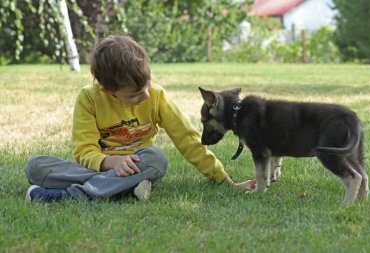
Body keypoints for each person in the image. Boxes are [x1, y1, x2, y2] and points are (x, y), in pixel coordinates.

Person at [25, 34, 252, 203]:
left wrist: (225, 179)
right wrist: (111, 162)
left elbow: (187, 139)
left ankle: (75, 195)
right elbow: (84, 151)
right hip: (103, 168)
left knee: (157, 159)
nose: (144, 95)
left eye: (147, 85)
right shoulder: (89, 98)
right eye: (134, 94)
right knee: (36, 166)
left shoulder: (156, 96)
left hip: (140, 165)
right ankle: (123, 189)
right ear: (108, 91)